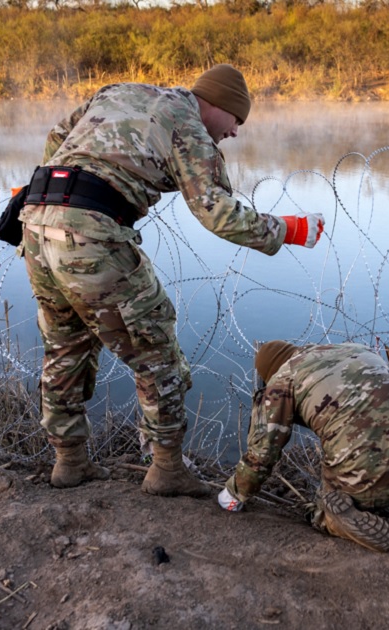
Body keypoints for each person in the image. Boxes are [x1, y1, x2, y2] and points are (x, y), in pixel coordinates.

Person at [20, 65, 325, 494]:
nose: (235, 133)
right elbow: (217, 212)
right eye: (237, 120)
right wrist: (290, 230)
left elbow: (58, 136)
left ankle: (69, 462)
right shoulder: (187, 124)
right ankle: (166, 470)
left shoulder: (121, 91)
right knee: (156, 352)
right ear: (217, 105)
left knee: (64, 347)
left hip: (35, 224)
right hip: (91, 234)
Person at [217, 341, 389, 552]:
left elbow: (263, 453)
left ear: (268, 371)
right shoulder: (355, 350)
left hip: (367, 473)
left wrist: (235, 492)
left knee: (323, 508)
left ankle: (335, 518)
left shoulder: (283, 379)